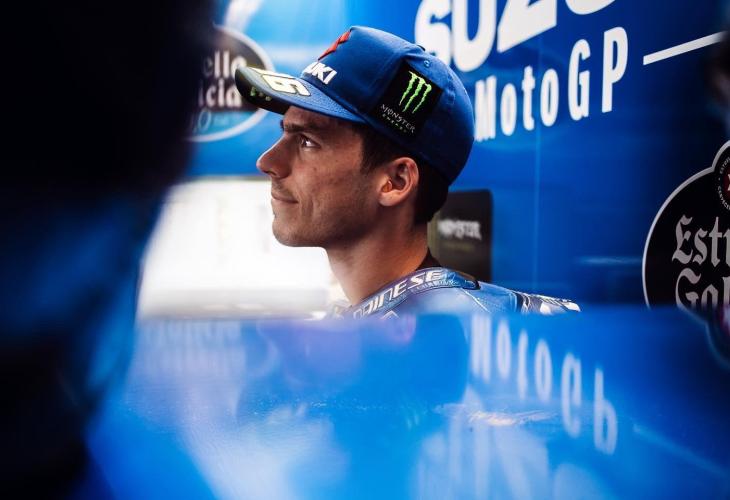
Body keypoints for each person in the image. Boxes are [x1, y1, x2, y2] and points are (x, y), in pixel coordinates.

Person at [235, 26, 579, 319]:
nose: (267, 162)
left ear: (395, 181)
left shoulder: (441, 345)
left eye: (308, 142)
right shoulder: (378, 323)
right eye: (285, 132)